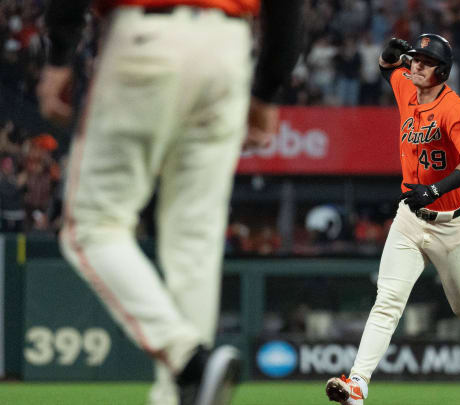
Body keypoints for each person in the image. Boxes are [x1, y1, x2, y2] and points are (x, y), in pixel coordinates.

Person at [36, 1, 301, 405]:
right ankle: (181, 393)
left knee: (90, 226)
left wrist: (59, 54)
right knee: (195, 242)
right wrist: (268, 89)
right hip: (228, 47)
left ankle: (186, 357)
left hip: (147, 36)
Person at [325, 34, 460, 405]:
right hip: (409, 218)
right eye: (414, 58)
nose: (415, 65)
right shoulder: (407, 88)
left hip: (452, 221)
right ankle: (358, 383)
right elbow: (389, 69)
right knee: (388, 300)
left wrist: (435, 190)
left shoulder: (455, 109)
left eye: (425, 61)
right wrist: (388, 56)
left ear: (442, 71)